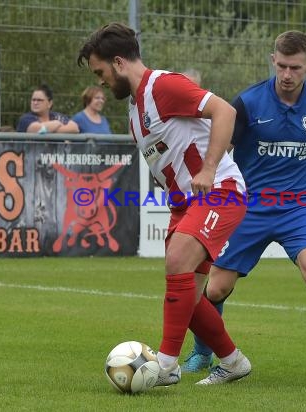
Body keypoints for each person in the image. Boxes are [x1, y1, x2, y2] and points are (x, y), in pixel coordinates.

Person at [77, 22, 251, 386]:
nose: (102, 81)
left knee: (177, 264)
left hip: (218, 191)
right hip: (184, 205)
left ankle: (164, 366)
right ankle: (234, 362)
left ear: (120, 62)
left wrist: (208, 168)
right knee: (186, 296)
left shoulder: (164, 85)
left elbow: (226, 112)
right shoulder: (134, 111)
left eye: (101, 72)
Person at [182, 30, 306, 383]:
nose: (287, 75)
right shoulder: (248, 102)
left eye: (296, 68)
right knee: (216, 288)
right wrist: (211, 180)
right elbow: (223, 147)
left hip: (299, 206)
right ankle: (201, 352)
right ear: (273, 60)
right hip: (248, 206)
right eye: (282, 66)